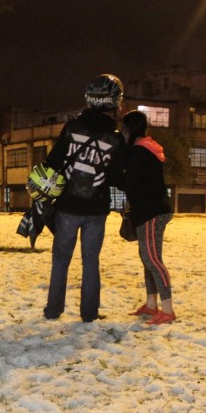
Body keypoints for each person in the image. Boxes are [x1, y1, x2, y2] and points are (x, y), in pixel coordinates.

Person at [43, 74, 126, 323]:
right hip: (96, 208)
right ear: (115, 101)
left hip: (67, 206)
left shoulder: (71, 128)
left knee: (60, 260)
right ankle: (89, 313)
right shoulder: (116, 138)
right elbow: (117, 178)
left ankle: (53, 309)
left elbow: (53, 163)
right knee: (91, 262)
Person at [118, 110, 176, 325]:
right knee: (148, 258)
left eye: (123, 129)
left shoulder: (139, 152)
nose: (121, 133)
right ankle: (151, 305)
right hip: (151, 210)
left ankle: (167, 310)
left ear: (130, 129)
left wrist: (114, 175)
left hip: (152, 211)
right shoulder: (146, 148)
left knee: (153, 260)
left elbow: (129, 183)